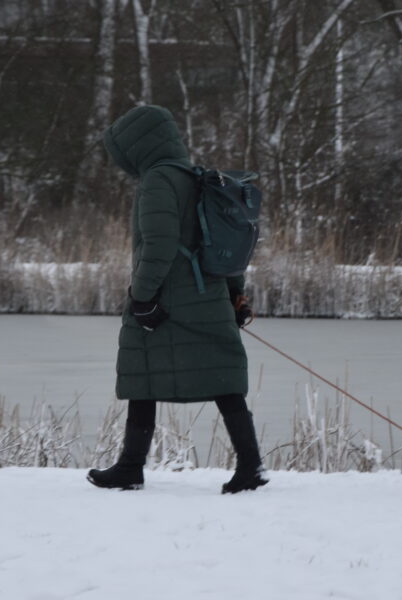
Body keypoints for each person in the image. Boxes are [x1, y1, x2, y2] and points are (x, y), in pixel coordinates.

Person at [86, 104, 267, 494]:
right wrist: (235, 294)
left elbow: (159, 245)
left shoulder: (157, 181)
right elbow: (226, 241)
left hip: (170, 296)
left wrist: (142, 298)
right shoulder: (198, 178)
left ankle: (131, 467)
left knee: (142, 372)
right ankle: (250, 466)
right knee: (223, 377)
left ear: (136, 147)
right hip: (210, 293)